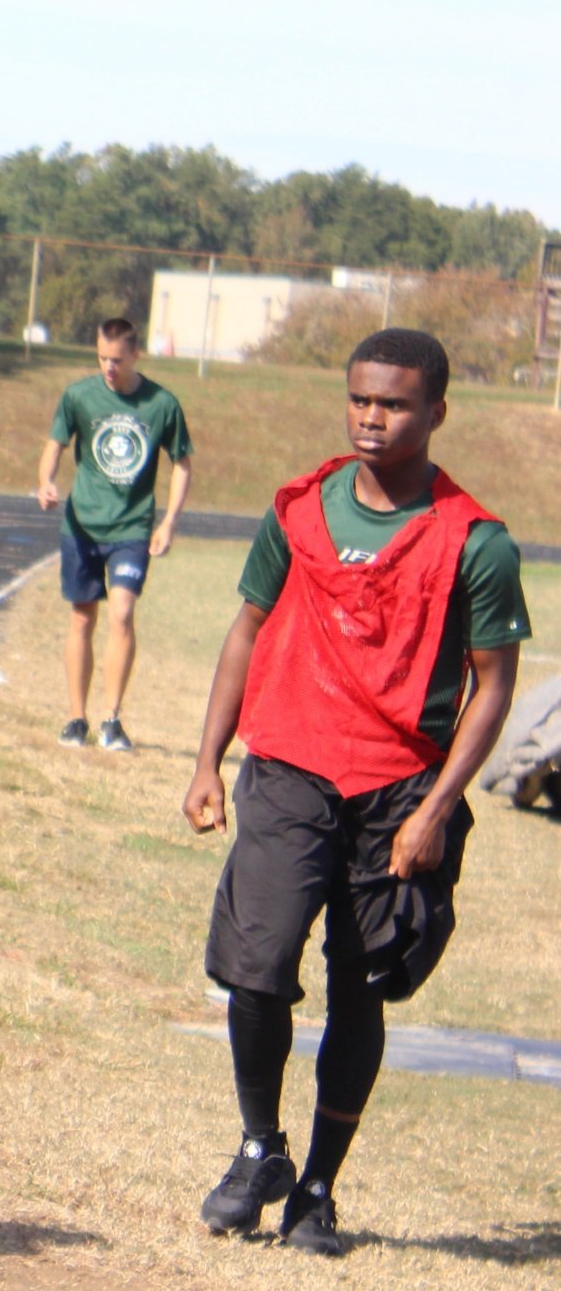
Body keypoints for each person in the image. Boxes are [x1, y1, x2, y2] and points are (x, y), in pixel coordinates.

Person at [182, 327, 526, 1255]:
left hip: (397, 792)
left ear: (436, 412)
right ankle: (261, 1149)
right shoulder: (299, 508)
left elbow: (494, 686)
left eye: (397, 403)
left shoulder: (475, 543)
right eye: (362, 399)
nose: (374, 417)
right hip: (290, 765)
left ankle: (317, 1193)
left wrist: (436, 808)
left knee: (360, 988)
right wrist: (207, 761)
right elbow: (246, 628)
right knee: (255, 967)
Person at [34, 316, 191, 751]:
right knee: (82, 615)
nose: (108, 367)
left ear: (135, 355)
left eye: (116, 359)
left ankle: (112, 719)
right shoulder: (79, 396)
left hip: (132, 526)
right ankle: (75, 717)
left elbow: (182, 464)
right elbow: (55, 445)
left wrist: (169, 523)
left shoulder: (161, 403)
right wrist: (46, 481)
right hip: (83, 525)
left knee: (122, 611)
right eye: (102, 358)